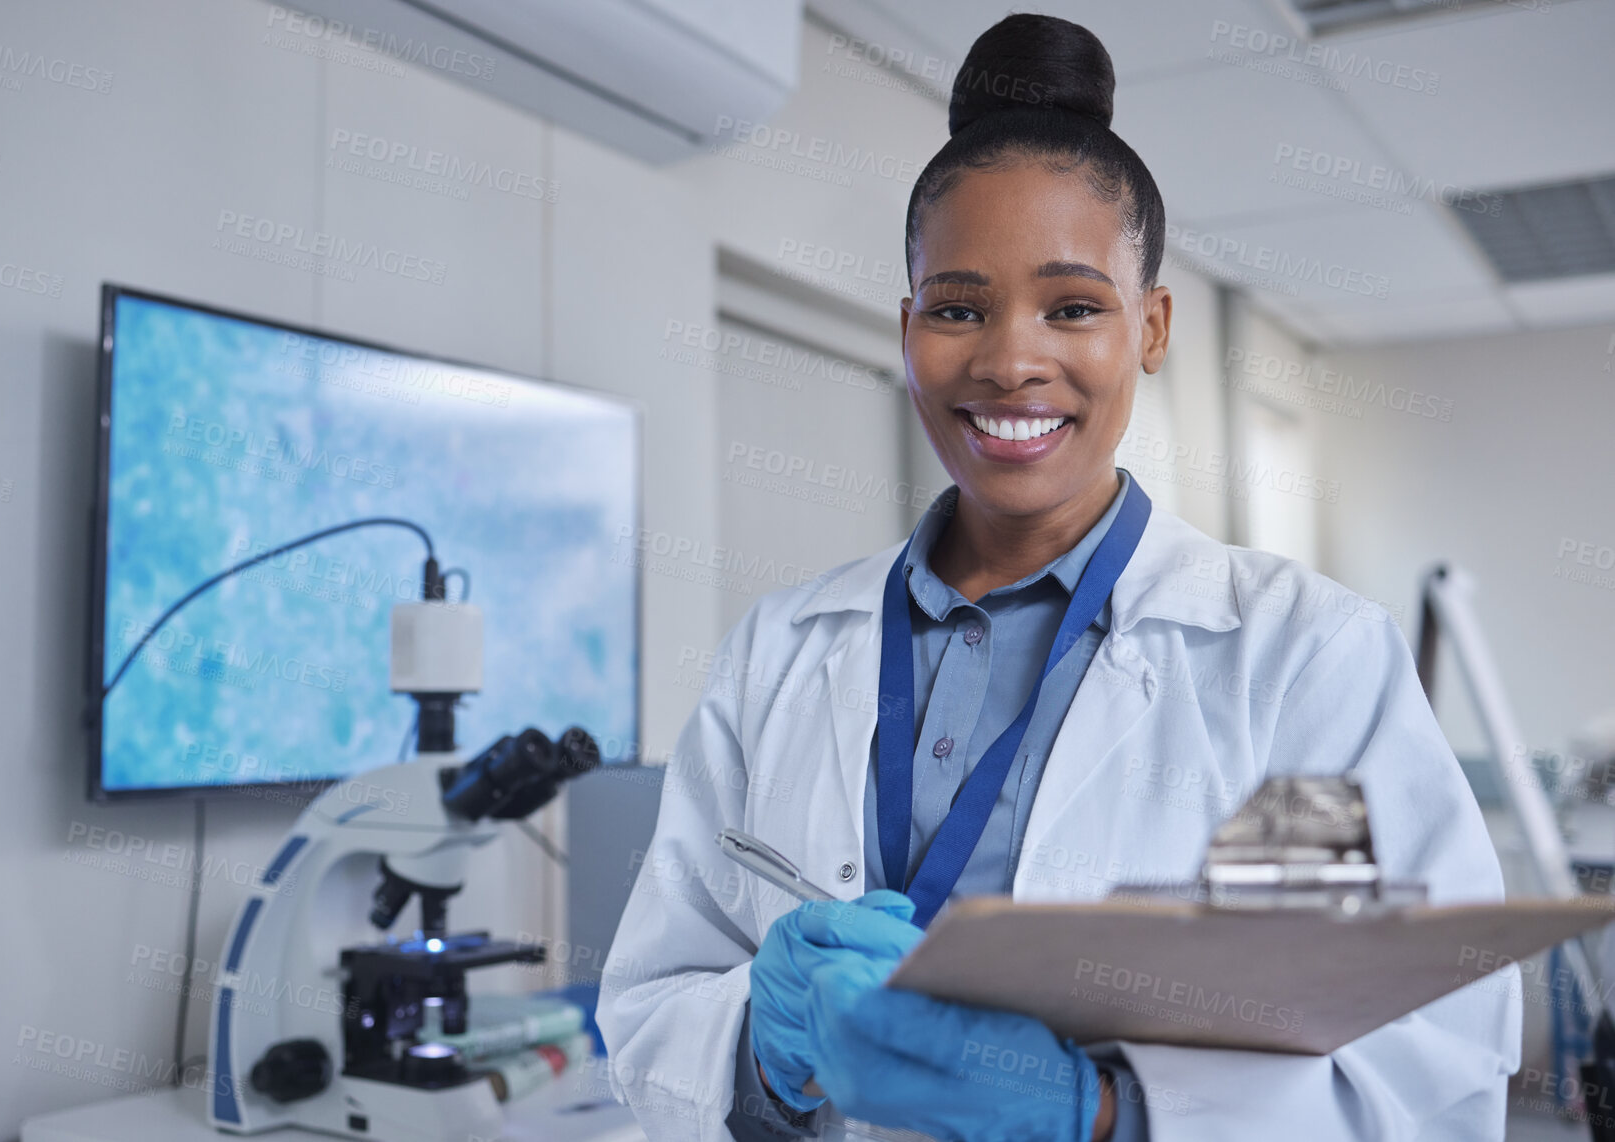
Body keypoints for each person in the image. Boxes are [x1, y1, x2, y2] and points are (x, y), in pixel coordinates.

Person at [597, 13, 1519, 1142]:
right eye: (957, 307)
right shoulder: (780, 649)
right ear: (906, 331)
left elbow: (1424, 1063)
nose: (1008, 358)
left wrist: (1099, 1113)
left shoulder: (1293, 662)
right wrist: (760, 1047)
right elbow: (650, 1005)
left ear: (1151, 327)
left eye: (1073, 306)